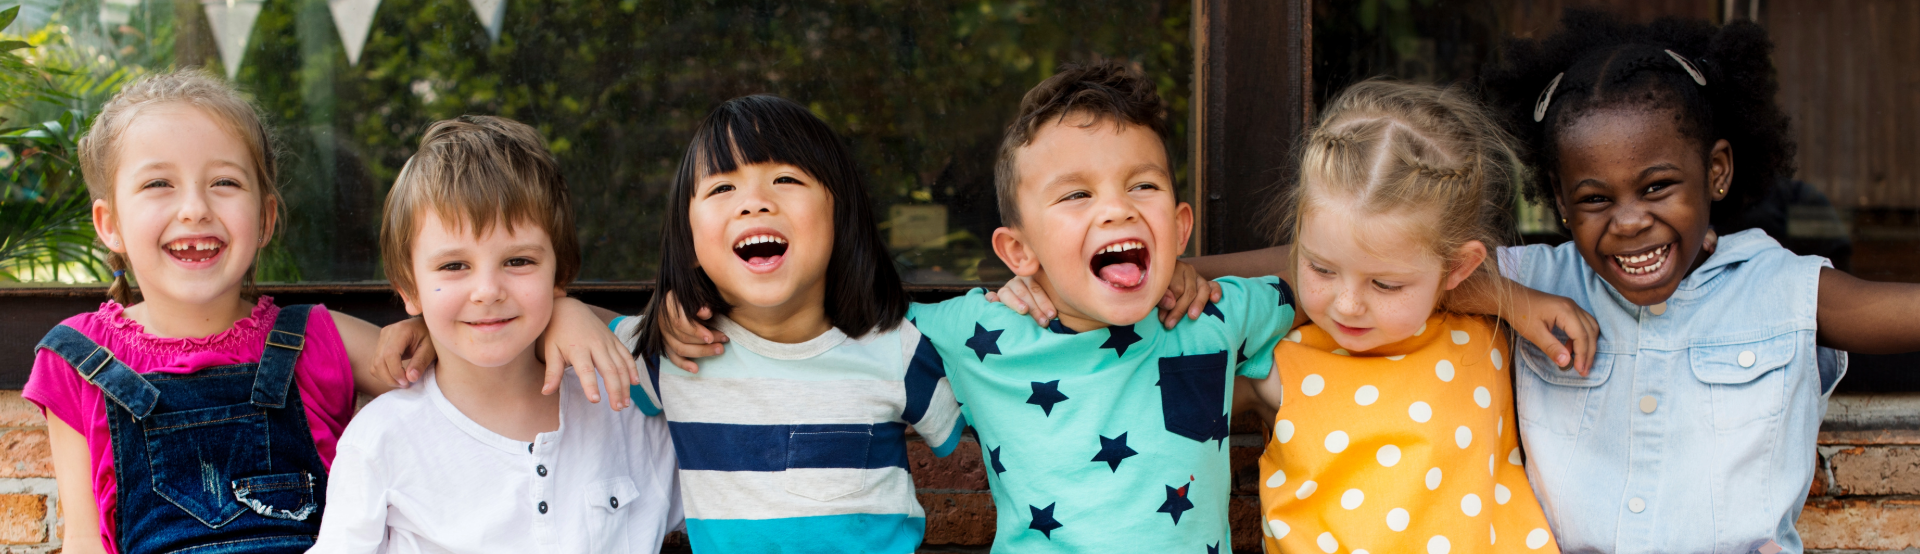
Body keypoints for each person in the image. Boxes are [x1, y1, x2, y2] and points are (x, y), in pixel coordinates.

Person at [663, 62, 1593, 552]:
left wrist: (1500, 294)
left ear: (1179, 223)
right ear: (1018, 251)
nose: (1113, 208)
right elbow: (817, 324)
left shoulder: (1221, 315)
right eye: (1074, 196)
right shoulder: (977, 333)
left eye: (1139, 186)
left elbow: (1357, 264)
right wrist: (649, 311)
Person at [25, 71, 628, 554]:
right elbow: (83, 540)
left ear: (265, 219)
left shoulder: (314, 338)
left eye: (224, 183)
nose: (193, 210)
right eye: (159, 184)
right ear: (110, 225)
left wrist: (561, 311)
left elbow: (475, 344)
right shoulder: (78, 359)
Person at [1475, 11, 1920, 552]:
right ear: (1561, 199)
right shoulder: (1539, 278)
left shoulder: (1777, 286)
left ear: (1716, 171)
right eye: (1595, 198)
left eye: (1658, 186)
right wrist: (1514, 301)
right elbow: (1408, 274)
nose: (1629, 220)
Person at [310, 116, 680, 553]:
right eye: (454, 266)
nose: (487, 291)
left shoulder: (627, 409)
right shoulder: (381, 439)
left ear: (559, 272)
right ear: (410, 287)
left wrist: (574, 312)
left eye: (518, 261)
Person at [617, 95, 962, 553]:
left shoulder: (897, 347)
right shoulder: (670, 350)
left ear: (840, 212)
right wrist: (568, 315)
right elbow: (554, 342)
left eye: (785, 179)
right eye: (722, 188)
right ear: (688, 235)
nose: (754, 203)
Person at [1247, 80, 1558, 553]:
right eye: (1321, 268)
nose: (1347, 304)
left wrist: (1511, 300)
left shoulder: (1486, 335)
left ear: (1459, 267)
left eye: (1385, 284)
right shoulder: (1279, 362)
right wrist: (1177, 278)